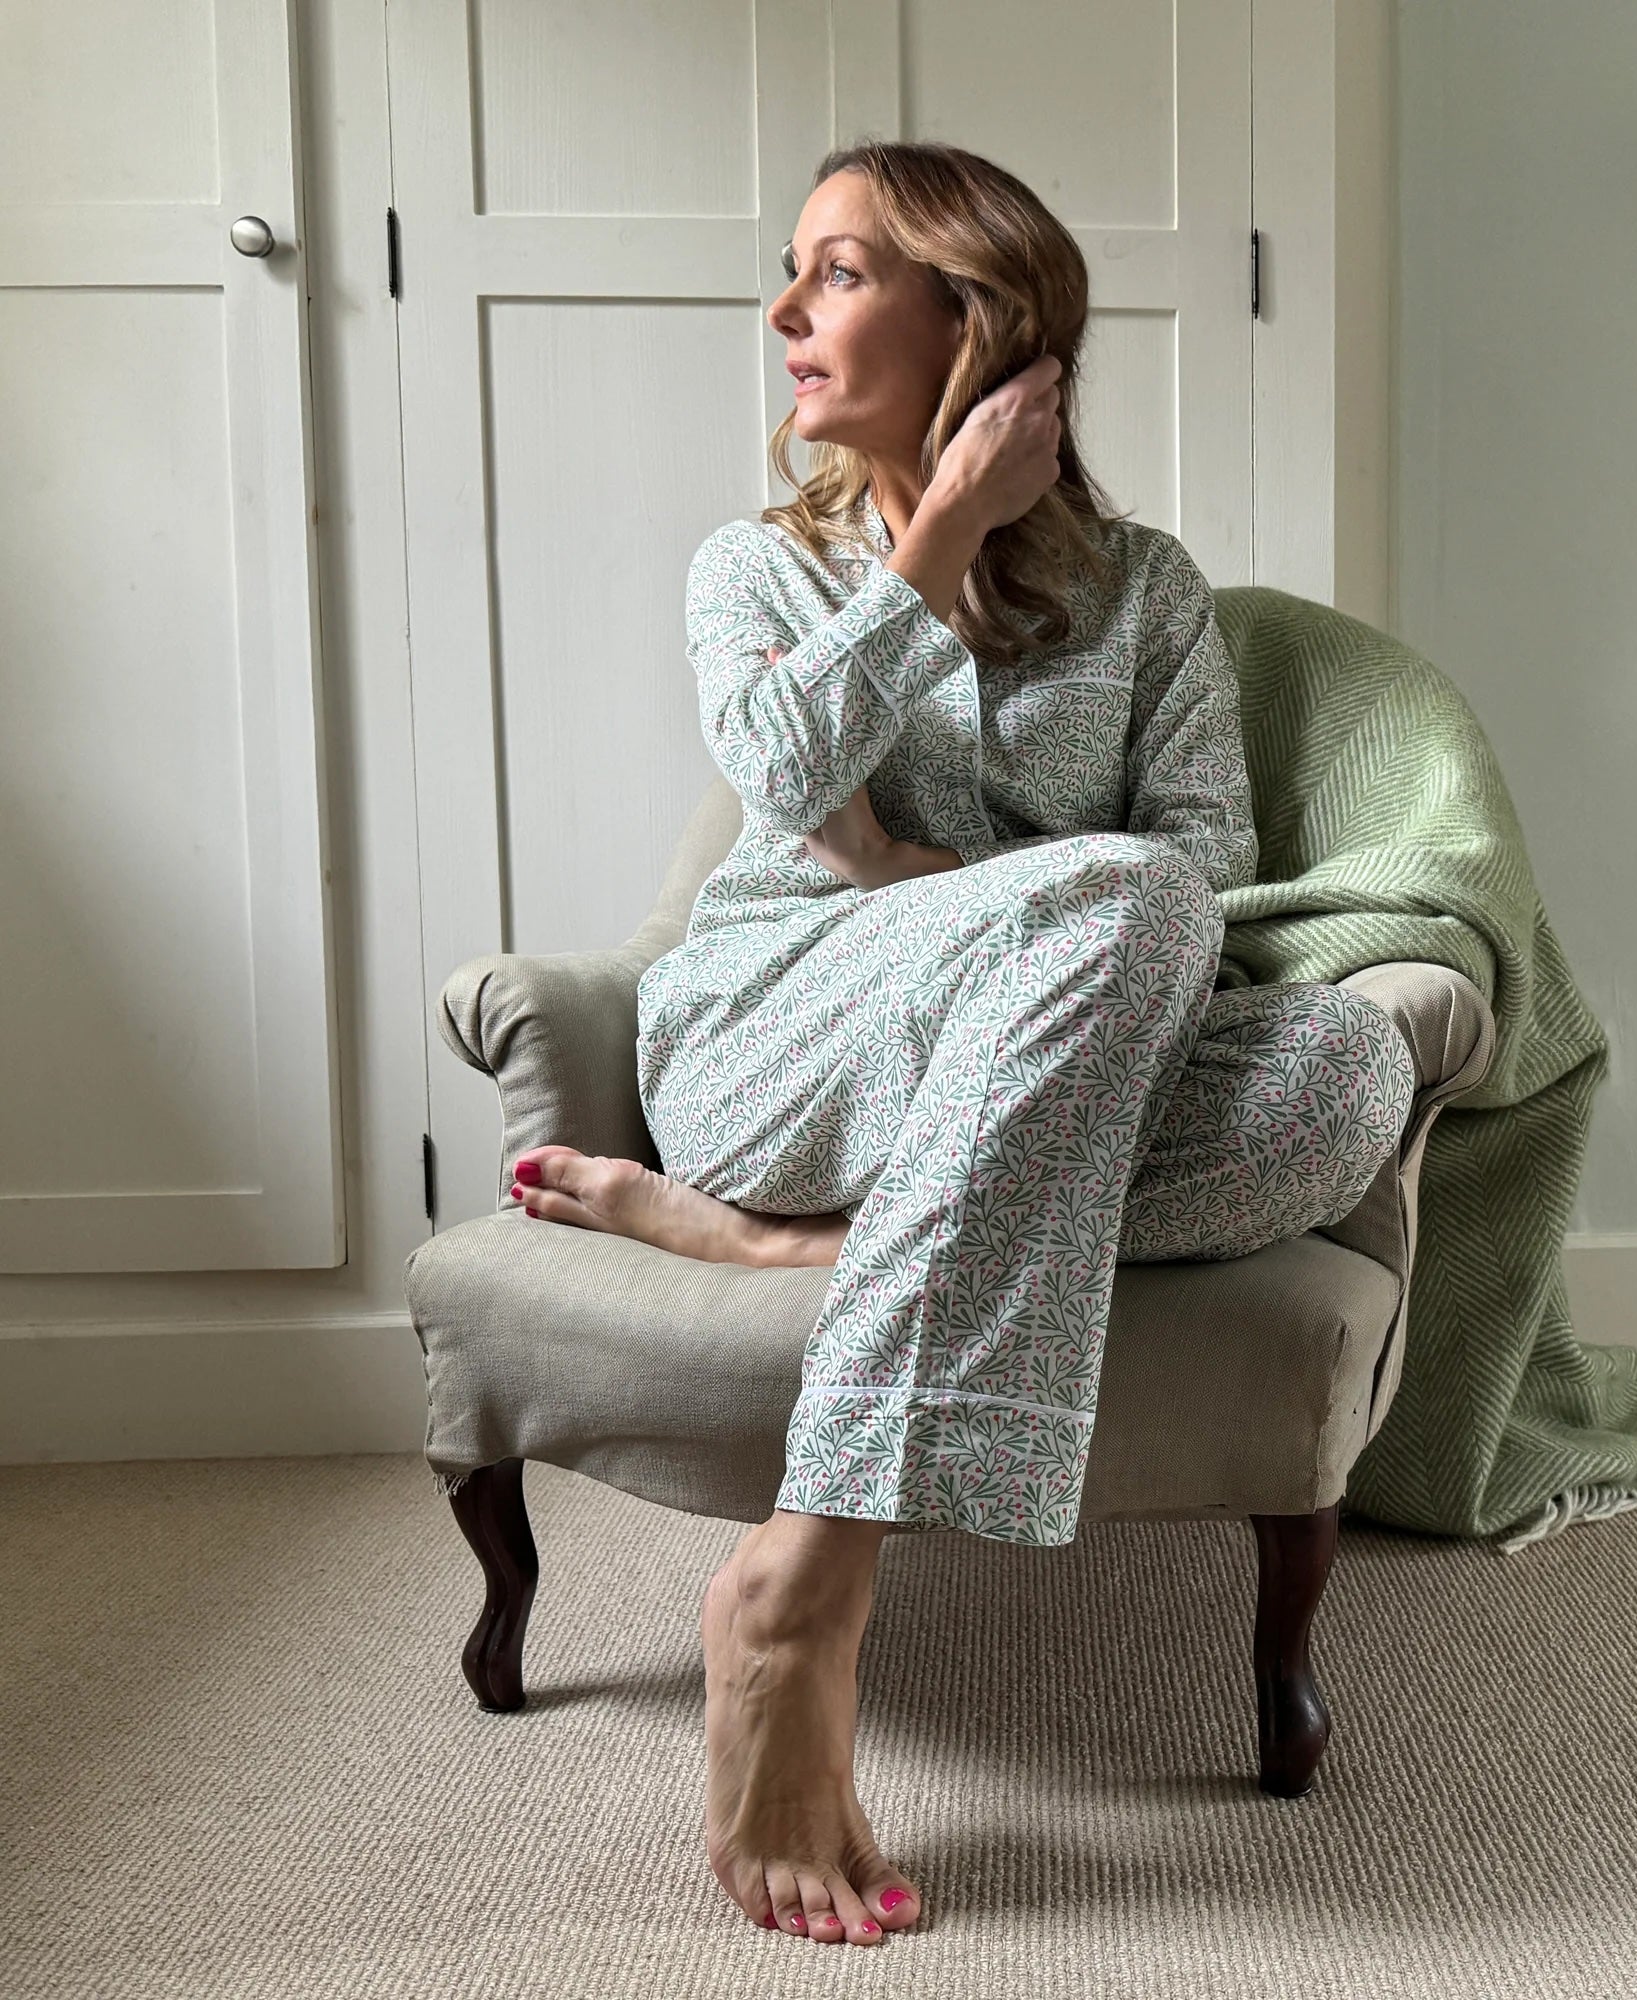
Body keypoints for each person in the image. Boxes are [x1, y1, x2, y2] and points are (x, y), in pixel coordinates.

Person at [505, 140, 1416, 1947]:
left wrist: (949, 881)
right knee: (1116, 911)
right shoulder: (757, 567)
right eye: (795, 272)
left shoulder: (1147, 594)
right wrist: (933, 544)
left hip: (1044, 1060)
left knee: (1346, 1079)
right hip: (781, 1036)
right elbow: (780, 776)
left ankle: (788, 1251)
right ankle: (805, 1581)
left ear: (976, 317)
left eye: (836, 273)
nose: (785, 312)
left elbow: (1208, 868)